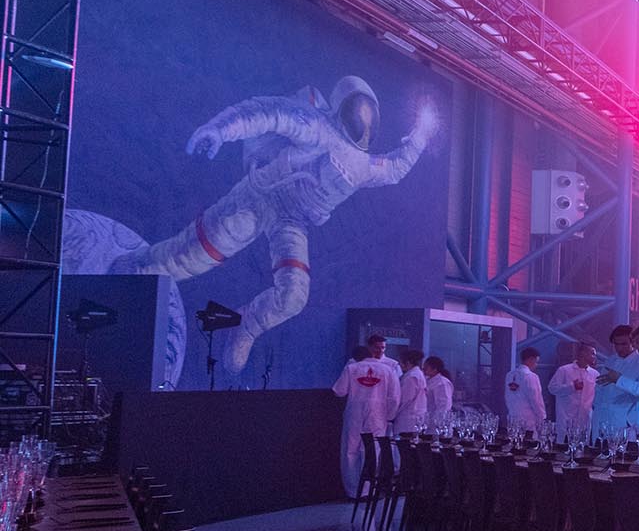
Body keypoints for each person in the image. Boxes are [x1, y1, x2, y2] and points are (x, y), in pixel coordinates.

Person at [109, 79, 438, 376]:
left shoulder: (364, 165)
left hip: (292, 222)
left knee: (293, 296)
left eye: (368, 115)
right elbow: (264, 113)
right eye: (359, 111)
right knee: (189, 258)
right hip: (258, 197)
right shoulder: (314, 125)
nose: (364, 123)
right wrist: (219, 130)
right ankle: (132, 269)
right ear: (342, 108)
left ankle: (247, 326)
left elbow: (395, 167)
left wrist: (420, 137)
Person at [332, 335, 399, 497]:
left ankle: (353, 491)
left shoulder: (352, 368)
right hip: (378, 416)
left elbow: (338, 391)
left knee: (350, 450)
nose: (380, 350)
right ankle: (368, 490)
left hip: (354, 413)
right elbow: (395, 397)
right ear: (370, 349)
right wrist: (389, 416)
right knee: (372, 451)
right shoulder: (388, 370)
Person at [593, 324, 639, 438]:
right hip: (602, 419)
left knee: (621, 452)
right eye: (616, 344)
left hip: (624, 423)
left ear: (633, 343)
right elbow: (600, 386)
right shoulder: (610, 360)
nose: (619, 348)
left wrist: (630, 420)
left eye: (624, 344)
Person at [551, 342, 598, 439]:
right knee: (563, 449)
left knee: (582, 449)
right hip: (566, 417)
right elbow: (552, 388)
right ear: (583, 353)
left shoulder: (595, 374)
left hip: (585, 419)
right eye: (592, 353)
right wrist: (572, 387)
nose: (595, 357)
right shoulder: (564, 370)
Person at [504, 346, 547, 435]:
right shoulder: (531, 377)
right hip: (528, 422)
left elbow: (507, 397)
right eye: (536, 362)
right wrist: (542, 417)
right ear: (531, 359)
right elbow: (536, 400)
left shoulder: (510, 375)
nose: (536, 365)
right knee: (530, 446)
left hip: (513, 419)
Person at [392, 348, 429, 439]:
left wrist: (391, 414)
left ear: (407, 362)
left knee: (404, 449)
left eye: (401, 362)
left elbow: (404, 400)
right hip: (413, 419)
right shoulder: (416, 374)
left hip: (408, 421)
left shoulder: (412, 377)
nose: (400, 365)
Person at [422, 356, 453, 424]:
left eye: (426, 367)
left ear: (435, 369)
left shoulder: (442, 383)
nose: (423, 369)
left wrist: (439, 423)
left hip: (436, 425)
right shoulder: (427, 380)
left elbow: (444, 406)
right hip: (427, 421)